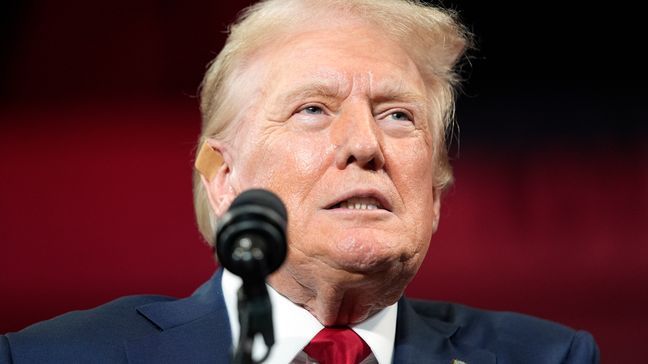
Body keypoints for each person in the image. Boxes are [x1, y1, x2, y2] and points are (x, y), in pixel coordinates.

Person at [1, 0, 599, 363]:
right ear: (225, 180)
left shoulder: (549, 357)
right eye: (313, 109)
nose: (366, 145)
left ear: (436, 192)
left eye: (398, 115)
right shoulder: (48, 357)